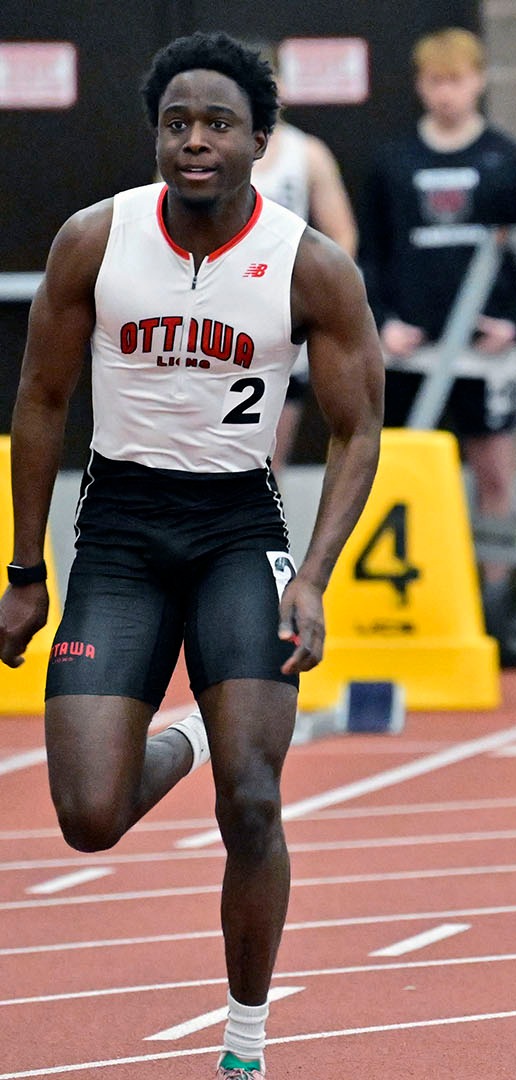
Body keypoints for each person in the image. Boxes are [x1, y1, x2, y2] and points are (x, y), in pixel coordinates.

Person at [0, 31, 383, 1079]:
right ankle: (189, 733)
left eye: (218, 124)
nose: (195, 143)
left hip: (236, 533)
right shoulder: (95, 239)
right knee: (86, 817)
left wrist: (312, 575)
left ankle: (244, 1041)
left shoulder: (309, 263)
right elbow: (39, 400)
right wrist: (25, 570)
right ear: (155, 137)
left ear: (263, 137)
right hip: (120, 532)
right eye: (177, 125)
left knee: (254, 799)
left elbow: (359, 431)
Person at [357, 28, 516, 609]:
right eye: (436, 82)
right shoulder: (392, 163)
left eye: (458, 80)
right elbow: (370, 254)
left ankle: (494, 599)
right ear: (421, 85)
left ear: (479, 81)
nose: (447, 93)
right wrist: (383, 321)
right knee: (405, 470)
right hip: (411, 349)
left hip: (485, 351)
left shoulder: (510, 161)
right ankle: (412, 596)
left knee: (494, 472)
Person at [255, 105, 358, 467]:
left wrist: (318, 298)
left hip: (282, 317)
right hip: (218, 314)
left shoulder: (307, 154)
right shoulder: (206, 151)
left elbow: (342, 234)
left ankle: (264, 524)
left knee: (266, 466)